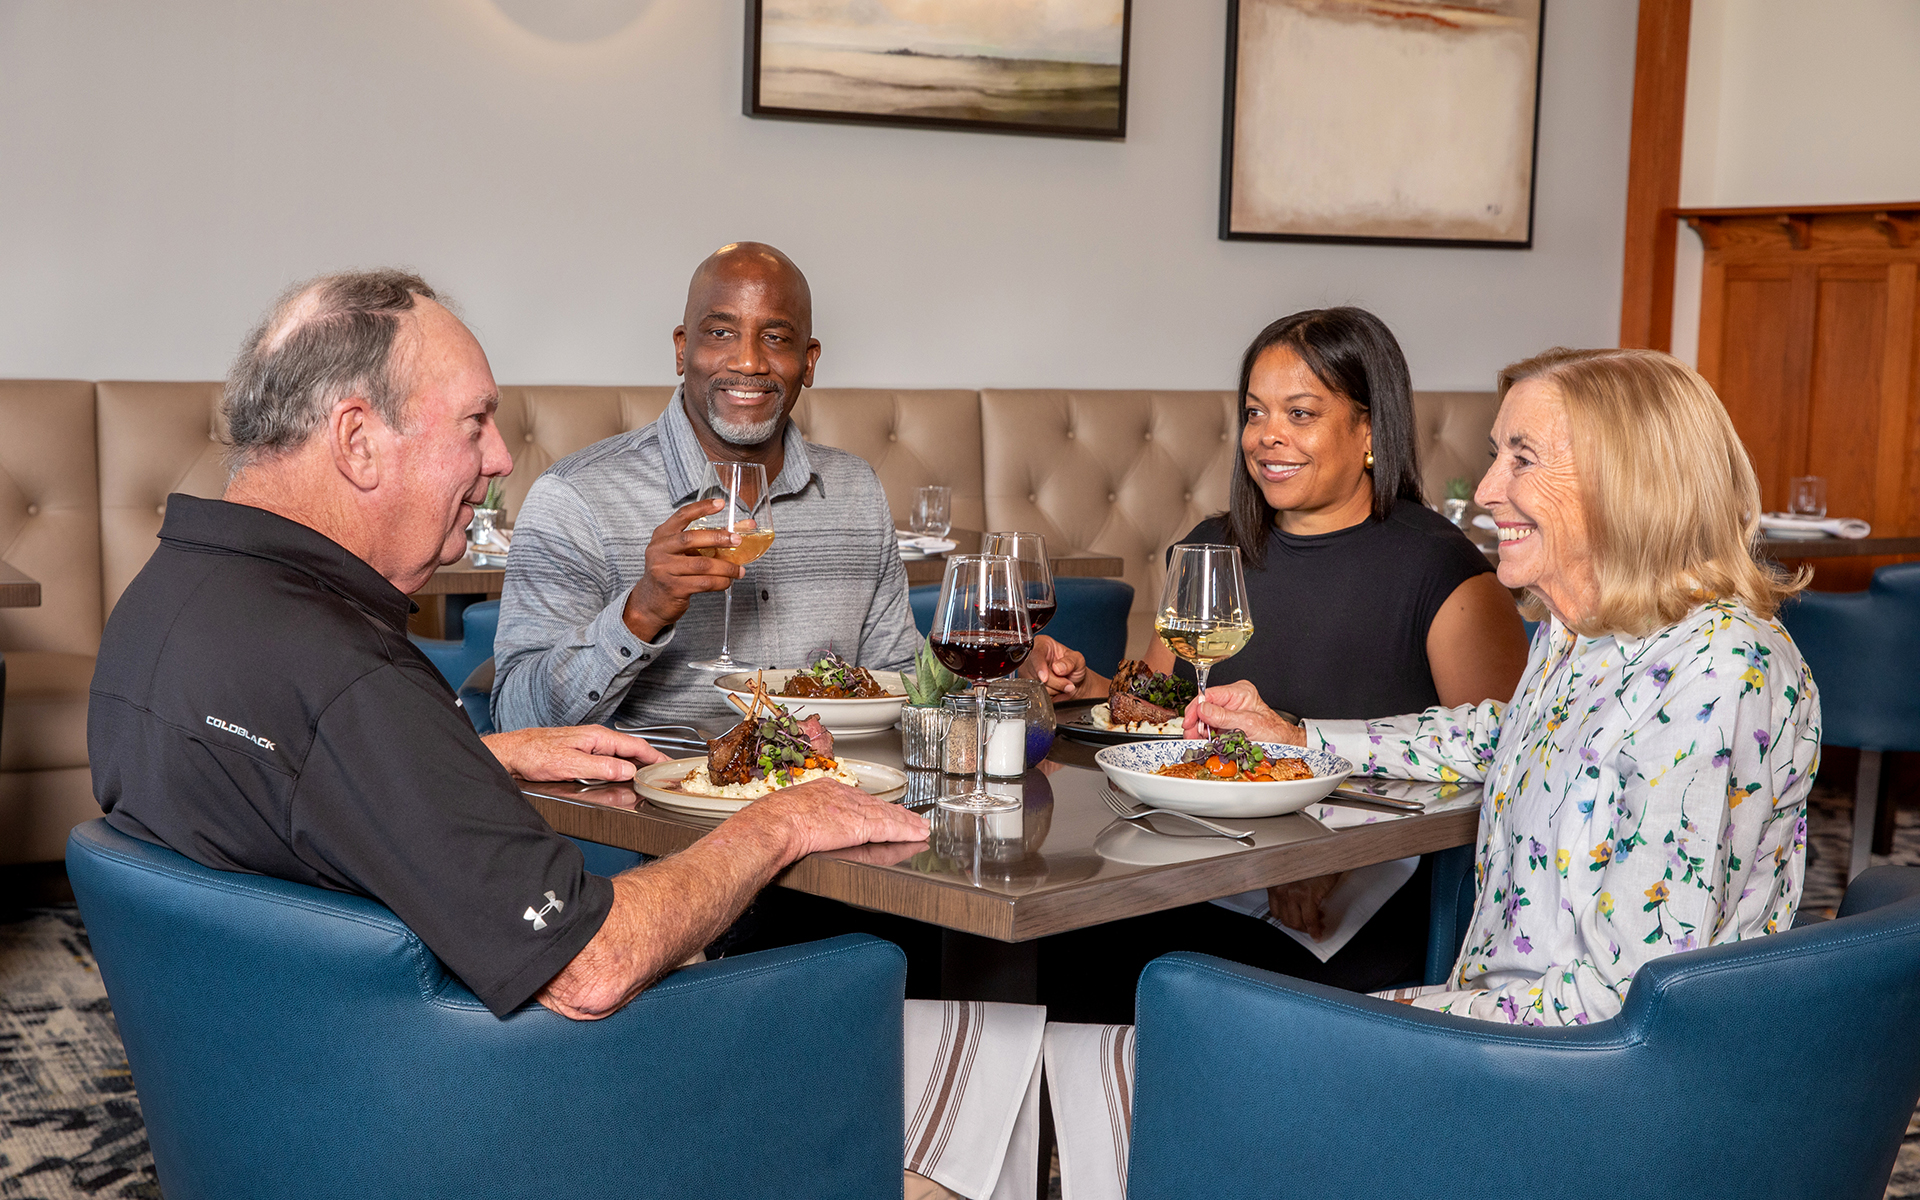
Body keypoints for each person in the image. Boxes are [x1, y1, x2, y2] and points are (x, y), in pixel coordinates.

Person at [86, 270, 928, 1022]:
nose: (498, 458)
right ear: (356, 440)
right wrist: (783, 820)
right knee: (948, 1021)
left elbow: (300, 794)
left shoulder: (170, 599)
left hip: (277, 1065)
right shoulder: (349, 680)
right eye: (475, 423)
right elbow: (589, 969)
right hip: (478, 1101)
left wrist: (470, 755)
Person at [1191, 346, 1821, 1024]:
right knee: (1184, 1021)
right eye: (1498, 455)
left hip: (1570, 1064)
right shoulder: (1584, 631)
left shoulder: (1719, 670)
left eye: (1522, 459)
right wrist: (1297, 738)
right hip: (1504, 1022)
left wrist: (1403, 1027)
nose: (1487, 490)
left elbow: (1631, 1000)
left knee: (1197, 1031)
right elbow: (1503, 736)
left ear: (1626, 481)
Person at [1029, 308, 1531, 1017]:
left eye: (1301, 413)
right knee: (1061, 943)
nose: (1267, 435)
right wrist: (1089, 687)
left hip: (1362, 889)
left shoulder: (1442, 571)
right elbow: (1166, 714)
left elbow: (1500, 766)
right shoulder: (1213, 548)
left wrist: (1319, 857)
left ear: (1368, 429)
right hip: (1195, 862)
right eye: (1255, 412)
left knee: (1161, 976)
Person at [491, 242, 920, 732]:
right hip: (652, 783)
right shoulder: (573, 497)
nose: (748, 362)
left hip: (832, 778)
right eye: (720, 333)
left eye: (775, 337)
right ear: (682, 348)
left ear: (809, 361)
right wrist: (640, 613)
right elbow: (515, 721)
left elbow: (903, 687)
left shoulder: (857, 490)